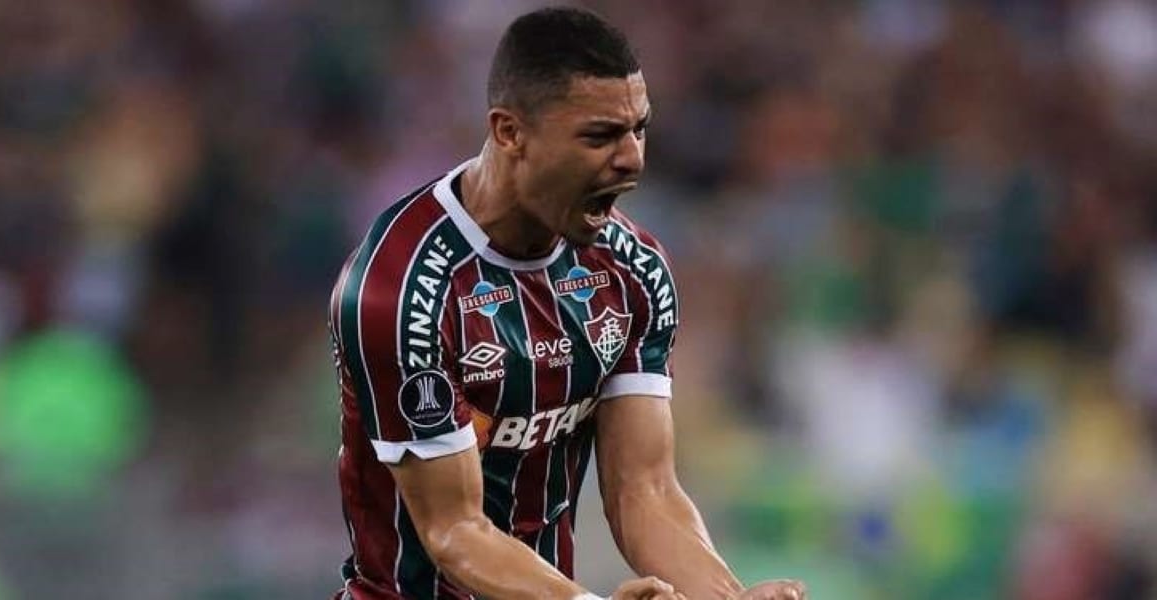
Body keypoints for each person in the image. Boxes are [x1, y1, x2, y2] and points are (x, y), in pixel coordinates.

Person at [327, 7, 807, 600]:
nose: (632, 158)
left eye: (639, 129)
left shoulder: (633, 271)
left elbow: (644, 493)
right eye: (600, 135)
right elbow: (454, 532)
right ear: (510, 133)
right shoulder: (401, 287)